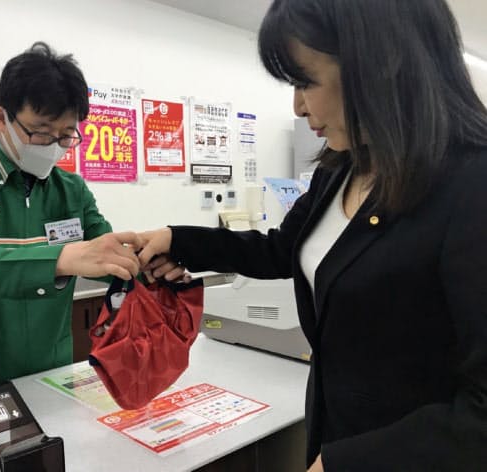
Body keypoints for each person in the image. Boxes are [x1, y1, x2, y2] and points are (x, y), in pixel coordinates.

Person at [137, 1, 487, 471]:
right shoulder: (342, 168)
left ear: (382, 63)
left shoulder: (471, 184)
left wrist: (346, 463)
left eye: (305, 82)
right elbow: (281, 250)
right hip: (334, 428)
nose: (297, 107)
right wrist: (177, 240)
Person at [0, 42, 142, 387]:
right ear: (1, 117)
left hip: (53, 371)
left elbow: (106, 254)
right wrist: (60, 259)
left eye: (66, 135)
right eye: (41, 132)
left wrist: (153, 258)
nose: (53, 147)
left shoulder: (71, 190)